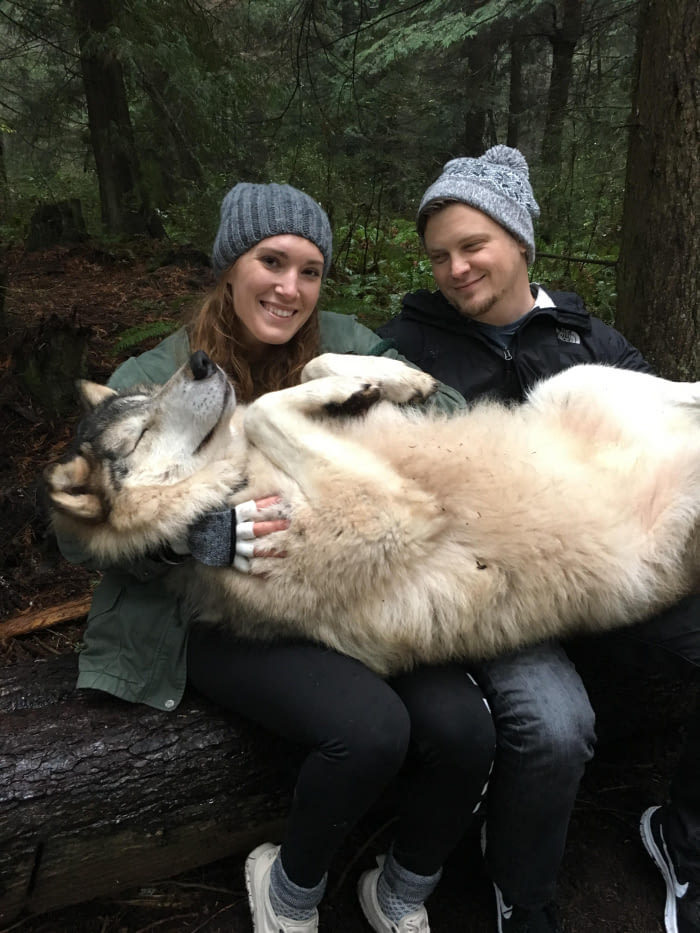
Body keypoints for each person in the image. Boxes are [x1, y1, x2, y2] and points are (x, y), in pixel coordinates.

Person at [56, 181, 496, 933]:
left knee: (465, 730)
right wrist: (192, 533)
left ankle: (400, 889)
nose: (290, 288)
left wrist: (374, 394)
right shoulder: (147, 380)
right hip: (207, 610)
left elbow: (452, 416)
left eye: (311, 270)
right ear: (231, 264)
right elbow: (79, 526)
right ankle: (288, 890)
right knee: (370, 730)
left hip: (346, 594)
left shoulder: (343, 344)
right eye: (272, 261)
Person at [377, 144, 700, 933]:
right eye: (439, 255)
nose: (454, 269)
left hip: (617, 569)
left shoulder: (594, 343)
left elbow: (660, 445)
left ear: (519, 241)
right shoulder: (411, 346)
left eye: (472, 245)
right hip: (503, 591)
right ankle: (524, 892)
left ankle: (681, 840)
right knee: (556, 727)